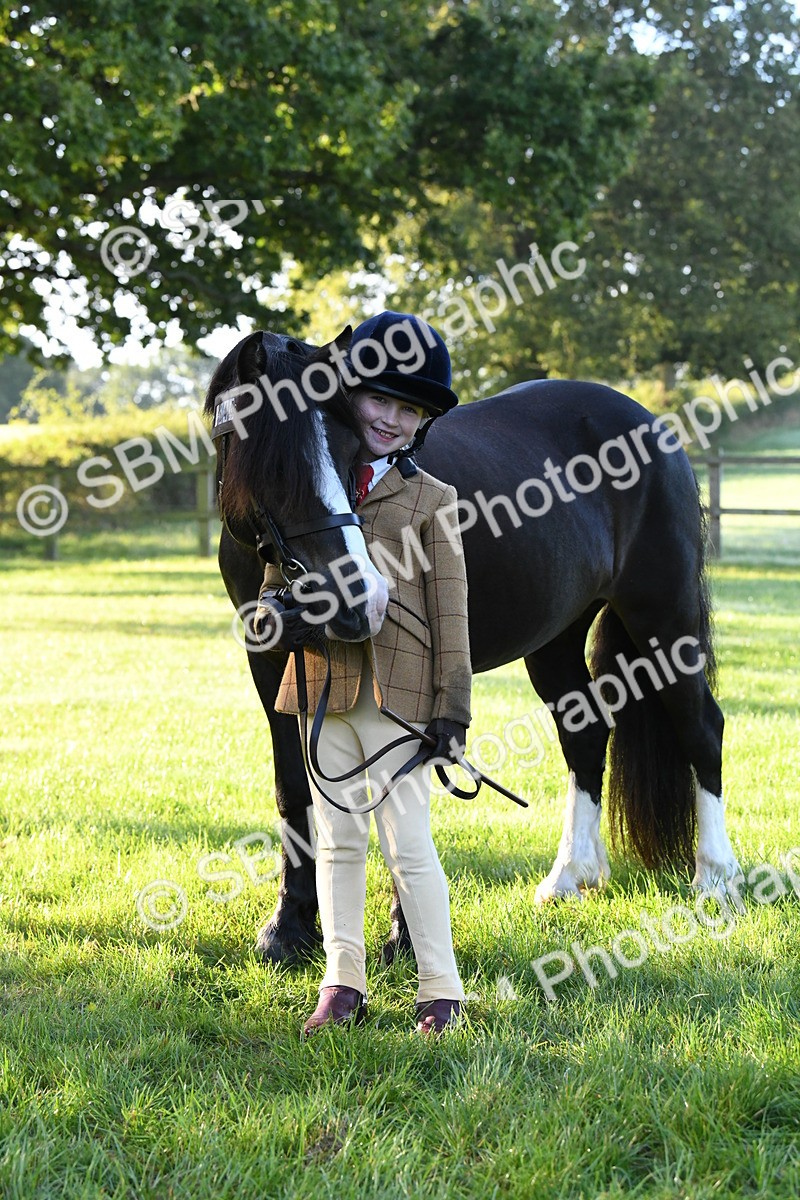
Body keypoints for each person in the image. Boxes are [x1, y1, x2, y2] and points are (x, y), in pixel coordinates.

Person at [260, 311, 472, 1036]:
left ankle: (440, 990)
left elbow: (453, 618)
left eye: (406, 408)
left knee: (409, 846)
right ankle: (342, 981)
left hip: (399, 700)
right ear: (349, 399)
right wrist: (280, 616)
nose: (389, 417)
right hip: (322, 693)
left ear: (420, 424)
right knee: (337, 842)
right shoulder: (311, 490)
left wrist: (453, 714)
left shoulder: (432, 501)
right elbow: (270, 588)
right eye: (378, 398)